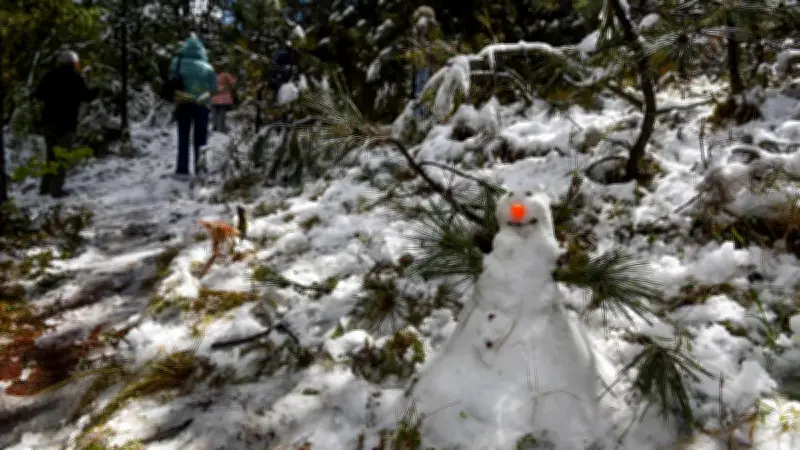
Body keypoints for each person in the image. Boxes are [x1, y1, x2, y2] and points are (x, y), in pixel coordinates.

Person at [33, 50, 98, 197]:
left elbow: (37, 94)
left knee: (50, 156)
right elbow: (86, 96)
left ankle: (44, 187)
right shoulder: (76, 78)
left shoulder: (48, 76)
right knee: (62, 157)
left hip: (48, 122)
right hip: (66, 123)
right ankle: (56, 190)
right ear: (74, 63)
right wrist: (97, 90)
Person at [168, 33, 218, 179]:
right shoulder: (208, 67)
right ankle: (200, 169)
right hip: (202, 105)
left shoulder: (177, 62)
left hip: (183, 103)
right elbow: (214, 89)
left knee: (183, 137)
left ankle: (182, 170)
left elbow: (171, 79)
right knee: (201, 139)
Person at [211, 67, 237, 133]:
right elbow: (232, 82)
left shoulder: (213, 74)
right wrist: (234, 78)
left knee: (214, 112)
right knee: (222, 113)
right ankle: (222, 127)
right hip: (224, 97)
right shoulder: (225, 74)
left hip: (215, 96)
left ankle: (215, 126)